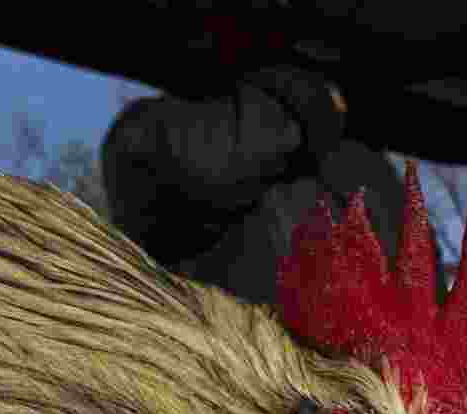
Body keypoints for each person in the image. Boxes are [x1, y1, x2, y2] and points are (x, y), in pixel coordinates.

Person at [101, 33, 446, 307]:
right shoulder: (148, 132)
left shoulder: (366, 167)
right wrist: (304, 102)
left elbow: (424, 284)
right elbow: (204, 168)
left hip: (368, 382)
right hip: (232, 380)